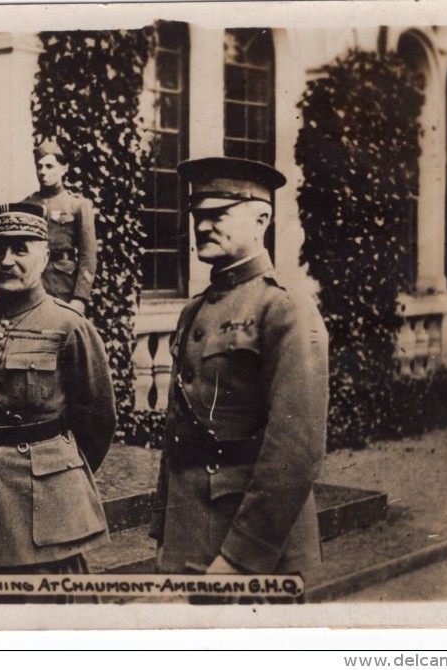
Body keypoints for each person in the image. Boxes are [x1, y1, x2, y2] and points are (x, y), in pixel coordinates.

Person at [149, 157, 329, 580]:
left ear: (261, 217)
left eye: (218, 214)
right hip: (190, 536)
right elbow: (179, 432)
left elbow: (296, 448)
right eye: (197, 215)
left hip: (254, 550)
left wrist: (241, 557)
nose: (203, 225)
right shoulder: (193, 310)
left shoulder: (284, 308)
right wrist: (164, 532)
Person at [0, 201, 116, 594]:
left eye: (20, 249)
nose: (6, 261)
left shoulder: (69, 325)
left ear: (44, 254)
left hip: (47, 504)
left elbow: (98, 420)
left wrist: (57, 475)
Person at [21, 140, 98, 314]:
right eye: (39, 167)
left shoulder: (78, 206)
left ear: (63, 169)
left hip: (64, 288)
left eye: (49, 166)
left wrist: (80, 298)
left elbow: (88, 255)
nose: (43, 172)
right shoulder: (26, 205)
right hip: (32, 286)